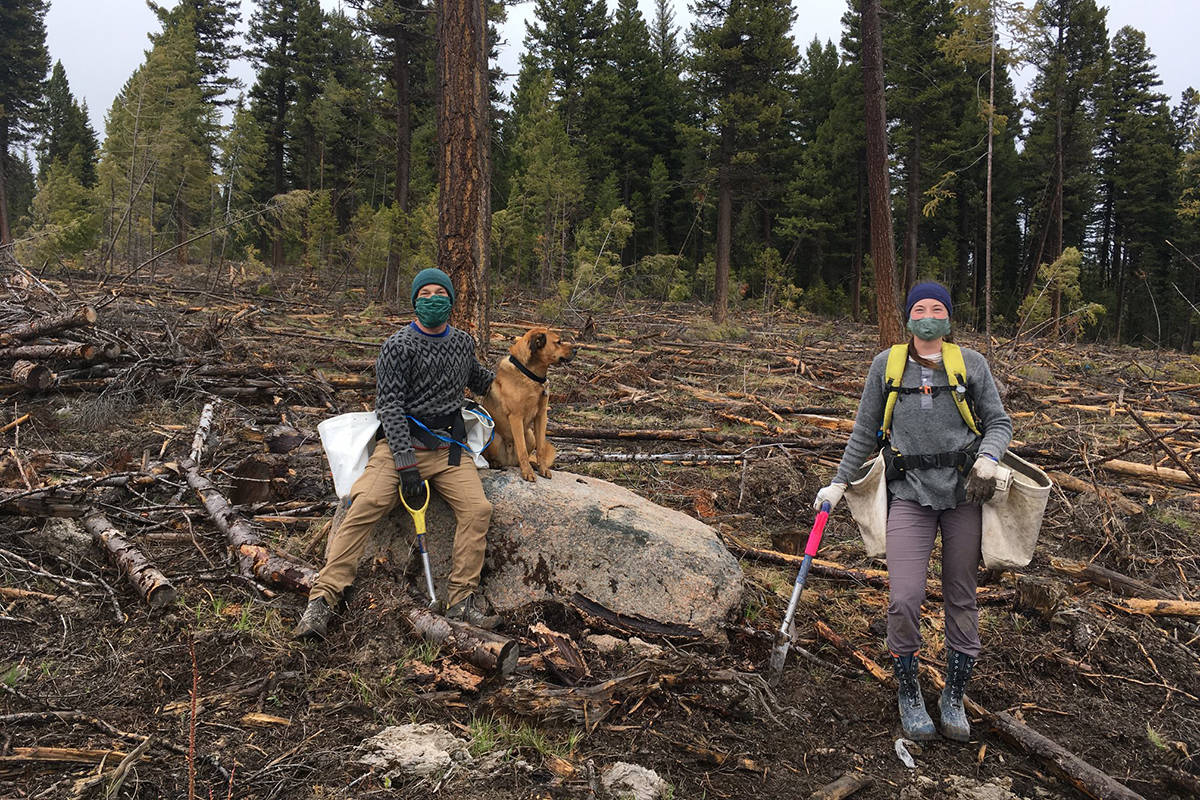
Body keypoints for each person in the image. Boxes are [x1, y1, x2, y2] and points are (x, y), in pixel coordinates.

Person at [812, 282, 1012, 742]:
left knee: (961, 596)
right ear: (907, 317)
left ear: (948, 316)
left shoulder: (970, 364)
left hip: (964, 495)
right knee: (904, 597)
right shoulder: (887, 365)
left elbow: (999, 422)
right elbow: (865, 430)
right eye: (919, 308)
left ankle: (954, 693)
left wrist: (988, 457)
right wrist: (839, 483)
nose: (927, 315)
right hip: (909, 494)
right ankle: (908, 690)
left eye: (936, 308)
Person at [294, 267, 500, 640]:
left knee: (478, 510)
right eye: (425, 295)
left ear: (451, 300)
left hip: (448, 450)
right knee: (366, 503)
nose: (433, 300)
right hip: (399, 447)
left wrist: (524, 371)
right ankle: (323, 599)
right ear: (415, 302)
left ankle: (460, 600)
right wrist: (405, 463)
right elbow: (388, 407)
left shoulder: (463, 343)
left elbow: (482, 381)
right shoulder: (398, 346)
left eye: (440, 293)